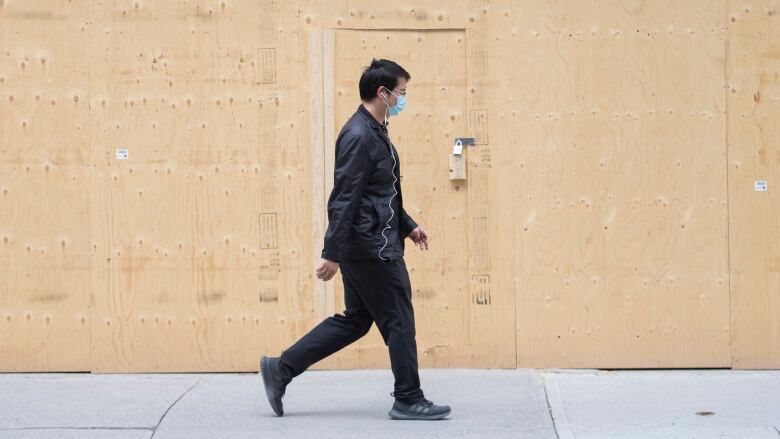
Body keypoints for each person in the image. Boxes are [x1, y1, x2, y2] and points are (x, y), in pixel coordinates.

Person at [260, 59, 451, 421]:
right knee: (399, 319)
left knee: (357, 320)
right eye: (402, 93)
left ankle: (281, 369)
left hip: (372, 241)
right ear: (383, 92)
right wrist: (332, 253)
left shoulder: (375, 129)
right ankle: (408, 397)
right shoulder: (358, 135)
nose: (403, 99)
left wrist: (408, 225)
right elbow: (344, 197)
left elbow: (381, 191)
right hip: (371, 249)